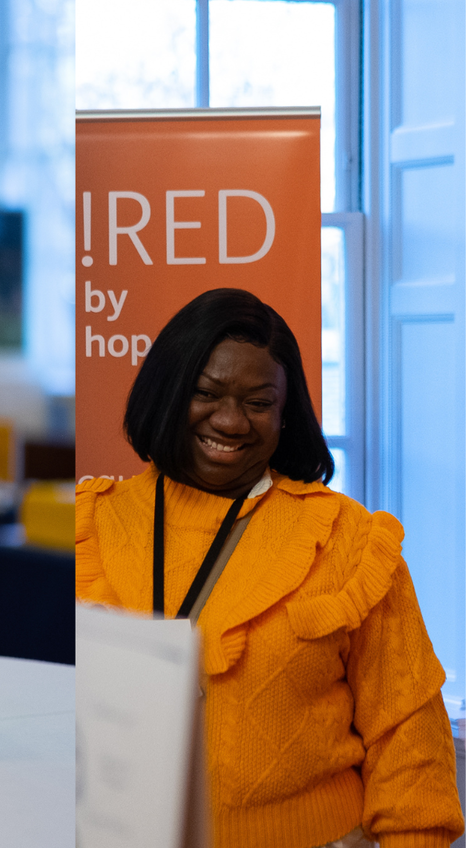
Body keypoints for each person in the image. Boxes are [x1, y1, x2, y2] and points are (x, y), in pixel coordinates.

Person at [76, 288, 465, 848]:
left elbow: (410, 737)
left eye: (258, 402)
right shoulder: (91, 524)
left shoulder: (347, 541)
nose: (231, 422)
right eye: (206, 393)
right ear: (167, 392)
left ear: (286, 415)